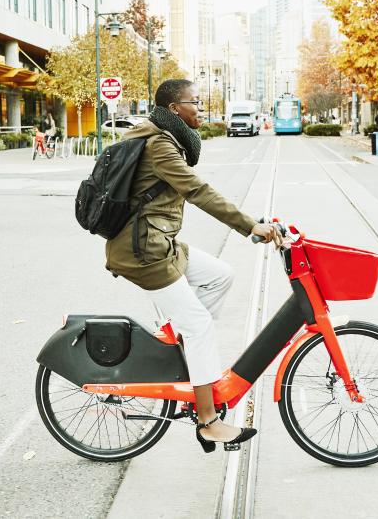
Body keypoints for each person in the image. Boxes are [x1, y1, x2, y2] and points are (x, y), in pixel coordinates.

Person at [105, 79, 282, 452]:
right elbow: (198, 191)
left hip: (159, 241)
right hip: (144, 251)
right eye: (194, 103)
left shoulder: (165, 137)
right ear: (174, 109)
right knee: (200, 325)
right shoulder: (159, 146)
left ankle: (184, 354)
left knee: (221, 275)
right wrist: (250, 225)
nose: (200, 109)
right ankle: (208, 421)